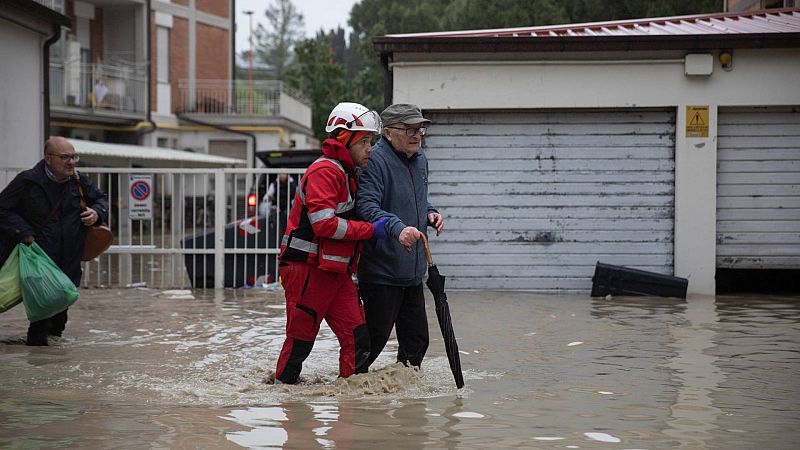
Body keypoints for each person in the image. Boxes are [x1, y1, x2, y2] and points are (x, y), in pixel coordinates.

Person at [274, 102, 396, 384]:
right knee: (300, 343)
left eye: (371, 141)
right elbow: (324, 224)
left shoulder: (346, 171)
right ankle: (287, 409)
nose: (370, 148)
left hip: (333, 272)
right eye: (365, 141)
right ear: (344, 138)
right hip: (307, 270)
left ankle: (352, 409)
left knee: (358, 339)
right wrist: (370, 230)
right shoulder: (325, 172)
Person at [356, 103, 444, 368]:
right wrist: (397, 228)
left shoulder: (421, 160)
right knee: (372, 344)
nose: (416, 135)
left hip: (413, 272)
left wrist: (430, 212)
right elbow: (366, 207)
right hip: (382, 273)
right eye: (409, 129)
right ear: (389, 132)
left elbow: (416, 201)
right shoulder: (375, 161)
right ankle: (348, 396)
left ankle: (407, 402)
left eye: (420, 129)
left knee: (417, 343)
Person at [0, 136, 109, 346]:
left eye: (74, 157)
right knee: (42, 319)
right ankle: (39, 359)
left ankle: (52, 359)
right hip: (38, 259)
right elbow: (3, 208)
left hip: (69, 259)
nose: (71, 162)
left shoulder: (78, 180)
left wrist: (97, 212)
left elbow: (101, 198)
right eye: (65, 157)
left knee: (58, 319)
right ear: (48, 159)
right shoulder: (28, 181)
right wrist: (24, 233)